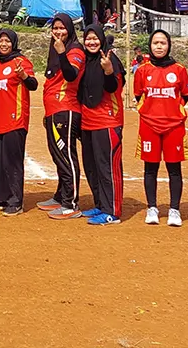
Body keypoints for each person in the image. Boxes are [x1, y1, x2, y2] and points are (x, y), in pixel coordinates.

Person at [133, 29, 188, 227]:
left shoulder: (179, 69)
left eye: (163, 43)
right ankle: (152, 208)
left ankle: (174, 209)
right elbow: (139, 95)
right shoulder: (142, 70)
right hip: (149, 125)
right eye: (155, 42)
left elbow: (185, 94)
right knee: (150, 168)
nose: (159, 46)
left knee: (174, 169)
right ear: (150, 45)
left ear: (169, 45)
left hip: (174, 126)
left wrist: (172, 110)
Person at [39, 13, 85, 219]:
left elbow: (71, 75)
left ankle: (71, 202)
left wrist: (61, 53)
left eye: (62, 28)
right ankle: (60, 195)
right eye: (55, 28)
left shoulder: (74, 50)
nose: (58, 32)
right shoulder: (57, 50)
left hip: (66, 110)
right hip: (54, 110)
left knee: (66, 156)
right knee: (57, 155)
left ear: (70, 29)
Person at [78, 23, 125, 226]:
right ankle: (100, 203)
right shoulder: (87, 61)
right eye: (88, 38)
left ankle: (111, 210)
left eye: (95, 38)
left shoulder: (110, 59)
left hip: (107, 121)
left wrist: (108, 71)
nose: (91, 42)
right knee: (92, 167)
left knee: (107, 168)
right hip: (88, 122)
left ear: (101, 39)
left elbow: (115, 87)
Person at [0, 28, 36, 216]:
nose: (4, 44)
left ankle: (16, 201)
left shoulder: (21, 62)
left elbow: (33, 85)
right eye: (1, 41)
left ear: (14, 43)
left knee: (12, 162)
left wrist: (23, 76)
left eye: (7, 41)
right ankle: (3, 196)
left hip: (15, 120)